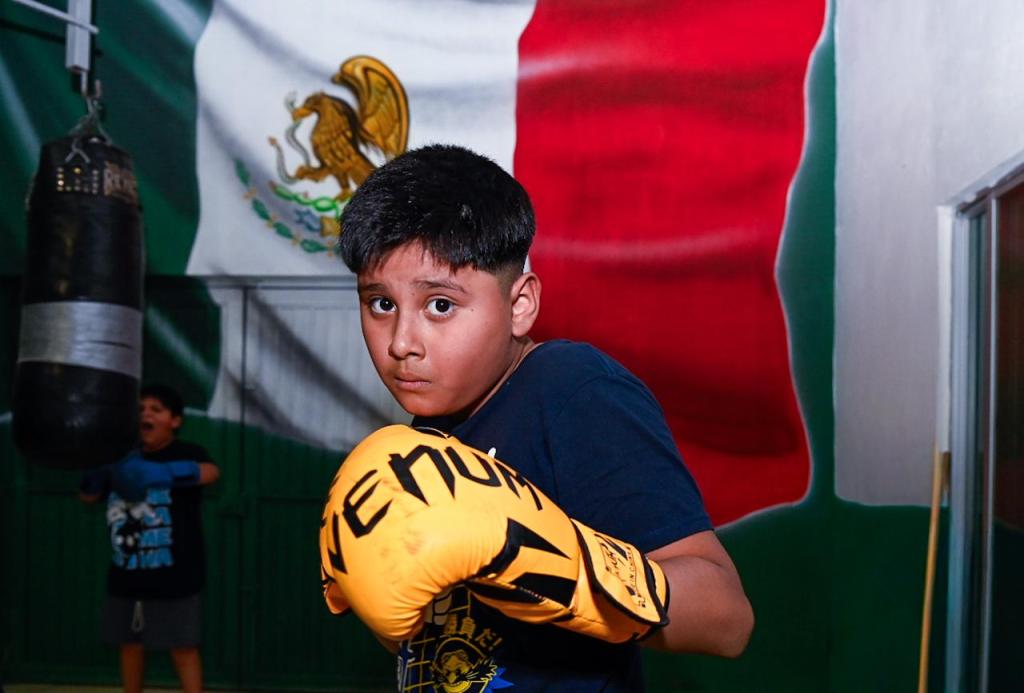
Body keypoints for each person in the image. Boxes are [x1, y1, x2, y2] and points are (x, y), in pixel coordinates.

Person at [326, 144, 754, 691]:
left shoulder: (572, 390)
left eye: (440, 305)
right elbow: (433, 639)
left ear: (520, 304)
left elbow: (727, 619)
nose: (402, 343)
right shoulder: (427, 436)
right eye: (381, 303)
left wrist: (559, 569)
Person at [80, 383, 220, 693]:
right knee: (130, 645)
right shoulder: (118, 456)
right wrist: (97, 472)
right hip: (127, 575)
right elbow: (87, 497)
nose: (146, 414)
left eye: (156, 410)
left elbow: (211, 473)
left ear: (175, 421)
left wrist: (161, 473)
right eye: (140, 409)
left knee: (183, 647)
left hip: (177, 577)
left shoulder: (187, 452)